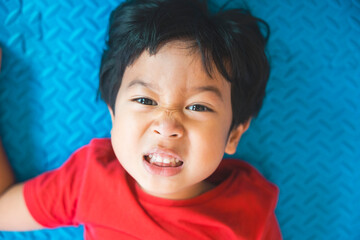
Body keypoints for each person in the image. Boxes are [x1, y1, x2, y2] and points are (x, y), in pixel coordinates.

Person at [0, 0, 282, 239]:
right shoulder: (89, 180)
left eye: (198, 107)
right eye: (145, 101)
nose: (167, 126)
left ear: (234, 133)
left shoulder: (249, 210)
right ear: (113, 115)